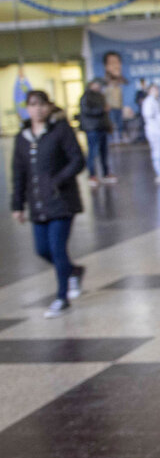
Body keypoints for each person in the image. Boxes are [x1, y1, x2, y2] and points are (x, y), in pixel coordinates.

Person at [10, 90, 86, 319]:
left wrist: (58, 181)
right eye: (33, 105)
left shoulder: (61, 130)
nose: (38, 109)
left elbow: (77, 160)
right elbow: (19, 173)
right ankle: (73, 271)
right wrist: (17, 204)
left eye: (42, 104)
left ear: (49, 107)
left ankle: (62, 297)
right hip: (38, 203)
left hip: (61, 201)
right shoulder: (22, 138)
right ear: (27, 108)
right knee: (41, 249)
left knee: (57, 248)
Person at [79, 79, 118, 187]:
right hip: (92, 128)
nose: (99, 87)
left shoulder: (101, 96)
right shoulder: (86, 97)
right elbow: (87, 111)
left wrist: (109, 125)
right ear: (92, 84)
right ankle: (92, 175)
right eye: (98, 84)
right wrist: (101, 109)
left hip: (102, 127)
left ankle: (106, 174)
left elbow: (105, 113)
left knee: (104, 152)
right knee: (92, 152)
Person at [102, 50, 128, 144]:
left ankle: (120, 137)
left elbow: (121, 98)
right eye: (111, 63)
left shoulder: (121, 86)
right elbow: (104, 98)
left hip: (118, 107)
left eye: (117, 62)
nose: (115, 66)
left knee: (120, 123)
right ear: (106, 66)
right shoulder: (106, 88)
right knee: (112, 124)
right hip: (111, 108)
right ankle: (112, 138)